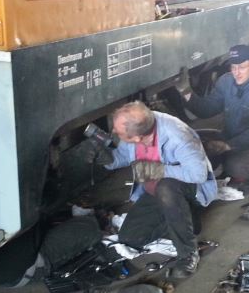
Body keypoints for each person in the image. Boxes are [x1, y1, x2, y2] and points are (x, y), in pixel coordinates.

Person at [86, 101, 217, 278]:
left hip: (187, 190)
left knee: (166, 187)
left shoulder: (178, 136)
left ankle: (188, 252)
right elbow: (123, 156)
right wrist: (106, 159)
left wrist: (159, 170)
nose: (114, 132)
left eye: (119, 131)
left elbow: (198, 174)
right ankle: (187, 221)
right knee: (131, 238)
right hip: (156, 192)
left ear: (137, 138)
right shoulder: (140, 127)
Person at [176, 44, 249, 190]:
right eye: (233, 67)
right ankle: (222, 160)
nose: (236, 72)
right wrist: (185, 91)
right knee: (189, 140)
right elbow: (206, 110)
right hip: (229, 135)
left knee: (236, 167)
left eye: (242, 67)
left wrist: (227, 145)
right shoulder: (226, 81)